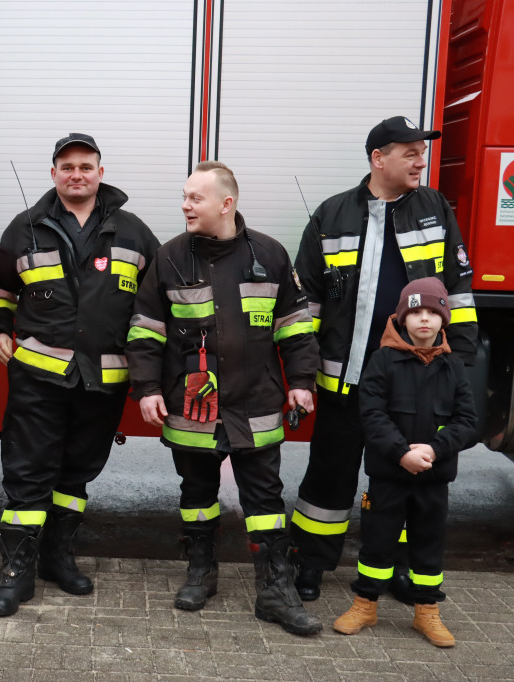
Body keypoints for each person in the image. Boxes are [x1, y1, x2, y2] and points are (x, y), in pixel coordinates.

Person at [125, 161, 322, 635]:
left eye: (195, 198)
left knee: (266, 499)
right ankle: (201, 571)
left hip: (255, 403)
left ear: (226, 203)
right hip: (192, 407)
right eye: (185, 196)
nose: (185, 205)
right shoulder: (170, 258)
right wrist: (148, 388)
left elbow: (295, 328)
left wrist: (301, 381)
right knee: (196, 495)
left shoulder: (269, 255)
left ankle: (275, 591)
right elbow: (145, 332)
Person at [290, 116, 478, 601]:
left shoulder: (434, 208)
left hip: (412, 381)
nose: (421, 161)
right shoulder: (332, 216)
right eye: (410, 152)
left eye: (423, 152)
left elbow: (457, 290)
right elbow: (305, 304)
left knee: (399, 481)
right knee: (329, 473)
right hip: (345, 379)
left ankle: (389, 567)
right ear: (378, 158)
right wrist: (300, 373)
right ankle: (310, 563)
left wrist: (460, 360)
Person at [0, 133, 160, 617]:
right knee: (27, 475)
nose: (76, 174)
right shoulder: (26, 228)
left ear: (100, 172)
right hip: (39, 379)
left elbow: (154, 305)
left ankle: (57, 557)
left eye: (86, 166)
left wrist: (148, 370)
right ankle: (15, 571)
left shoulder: (134, 233)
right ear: (54, 173)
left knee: (77, 475)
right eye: (67, 166)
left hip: (103, 382)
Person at [333, 277, 476, 647]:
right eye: (415, 312)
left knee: (428, 543)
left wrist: (432, 450)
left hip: (433, 477)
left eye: (432, 312)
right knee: (377, 542)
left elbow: (467, 421)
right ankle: (365, 605)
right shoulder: (382, 361)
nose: (424, 320)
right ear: (402, 319)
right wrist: (402, 453)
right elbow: (373, 414)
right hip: (388, 477)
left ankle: (427, 612)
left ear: (444, 320)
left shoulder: (454, 366)